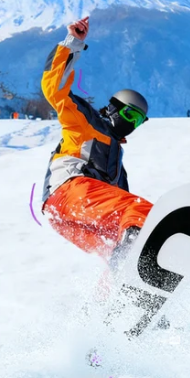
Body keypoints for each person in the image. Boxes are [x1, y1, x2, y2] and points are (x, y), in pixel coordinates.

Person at [39, 16, 152, 268]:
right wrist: (72, 43)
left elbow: (118, 199)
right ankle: (138, 259)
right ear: (113, 109)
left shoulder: (116, 167)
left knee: (113, 248)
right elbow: (54, 90)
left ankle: (118, 300)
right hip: (68, 193)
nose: (131, 124)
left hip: (65, 217)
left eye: (137, 121)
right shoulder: (86, 121)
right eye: (129, 115)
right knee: (141, 212)